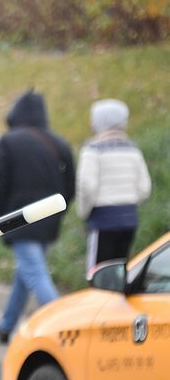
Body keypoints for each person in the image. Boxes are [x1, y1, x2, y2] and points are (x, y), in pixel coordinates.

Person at [0, 89, 75, 344]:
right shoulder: (59, 143)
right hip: (49, 221)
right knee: (26, 272)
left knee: (34, 273)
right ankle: (6, 324)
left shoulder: (9, 142)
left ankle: (65, 326)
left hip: (19, 220)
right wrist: (58, 211)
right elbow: (70, 186)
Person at [76, 98, 151, 272]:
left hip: (103, 220)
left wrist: (84, 211)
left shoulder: (93, 150)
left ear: (97, 121)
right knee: (119, 270)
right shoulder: (133, 149)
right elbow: (144, 188)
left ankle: (99, 299)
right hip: (129, 219)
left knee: (97, 272)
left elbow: (87, 186)